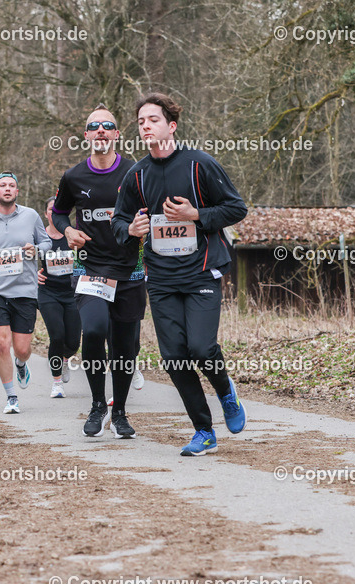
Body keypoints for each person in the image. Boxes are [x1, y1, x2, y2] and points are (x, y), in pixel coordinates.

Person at [112, 92, 247, 456]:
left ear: (171, 126)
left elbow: (236, 208)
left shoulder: (199, 164)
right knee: (173, 358)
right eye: (141, 122)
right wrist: (131, 229)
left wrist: (196, 215)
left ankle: (225, 391)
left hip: (201, 272)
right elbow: (118, 221)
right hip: (161, 279)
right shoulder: (137, 174)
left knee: (201, 349)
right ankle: (204, 430)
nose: (145, 126)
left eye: (153, 120)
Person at [53, 105, 144, 437]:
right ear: (87, 135)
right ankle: (96, 405)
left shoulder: (136, 172)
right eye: (94, 126)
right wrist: (67, 230)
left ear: (117, 134)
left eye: (108, 125)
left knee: (125, 346)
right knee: (93, 331)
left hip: (130, 271)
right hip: (90, 268)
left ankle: (119, 413)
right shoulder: (74, 176)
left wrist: (144, 227)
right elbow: (59, 213)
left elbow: (154, 209)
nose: (101, 130)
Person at [0, 172, 51, 414]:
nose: (7, 188)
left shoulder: (31, 216)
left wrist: (35, 250)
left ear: (17, 191)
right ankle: (11, 396)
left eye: (11, 185)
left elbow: (46, 244)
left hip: (24, 290)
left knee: (22, 349)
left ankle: (21, 363)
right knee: (2, 343)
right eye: (2, 185)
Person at [38, 196, 81, 399]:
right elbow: (25, 259)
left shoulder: (74, 234)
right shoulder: (40, 236)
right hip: (48, 292)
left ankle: (64, 359)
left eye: (58, 209)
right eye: (50, 209)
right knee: (56, 336)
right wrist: (33, 274)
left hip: (72, 292)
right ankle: (56, 383)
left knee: (73, 343)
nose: (54, 213)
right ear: (45, 214)